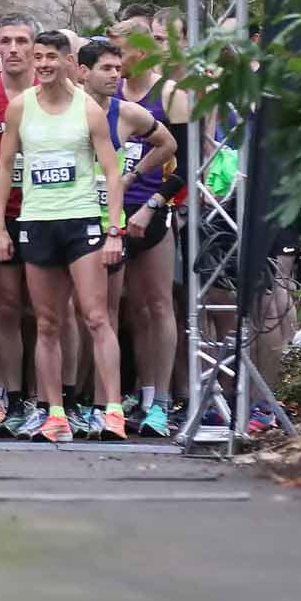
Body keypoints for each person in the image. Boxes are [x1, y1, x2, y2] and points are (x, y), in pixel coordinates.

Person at [0, 31, 127, 442]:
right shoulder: (21, 107)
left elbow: (112, 170)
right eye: (38, 57)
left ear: (69, 61)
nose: (44, 63)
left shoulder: (88, 110)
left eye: (52, 56)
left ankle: (114, 410)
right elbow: (3, 167)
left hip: (82, 219)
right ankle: (55, 413)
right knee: (47, 323)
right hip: (37, 221)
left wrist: (114, 229)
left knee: (96, 316)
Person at [77, 39, 179, 437]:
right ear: (83, 71)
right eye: (107, 67)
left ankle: (160, 402)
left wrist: (136, 177)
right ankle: (106, 405)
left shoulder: (130, 112)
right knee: (106, 314)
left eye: (118, 68)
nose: (115, 75)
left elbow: (170, 144)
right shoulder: (71, 112)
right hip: (97, 222)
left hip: (144, 214)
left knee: (158, 308)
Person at [107, 15, 190, 435]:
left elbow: (187, 162)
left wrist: (153, 204)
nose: (114, 60)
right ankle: (136, 394)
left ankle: (159, 400)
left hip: (152, 209)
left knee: (158, 306)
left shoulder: (170, 93)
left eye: (120, 51)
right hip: (112, 213)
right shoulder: (111, 91)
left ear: (141, 50)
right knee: (129, 309)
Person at [0, 12, 40, 436]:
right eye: (7, 41)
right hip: (5, 214)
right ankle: (7, 396)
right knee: (3, 310)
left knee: (45, 314)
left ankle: (46, 399)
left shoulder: (53, 92)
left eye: (22, 40)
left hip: (47, 214)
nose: (14, 48)